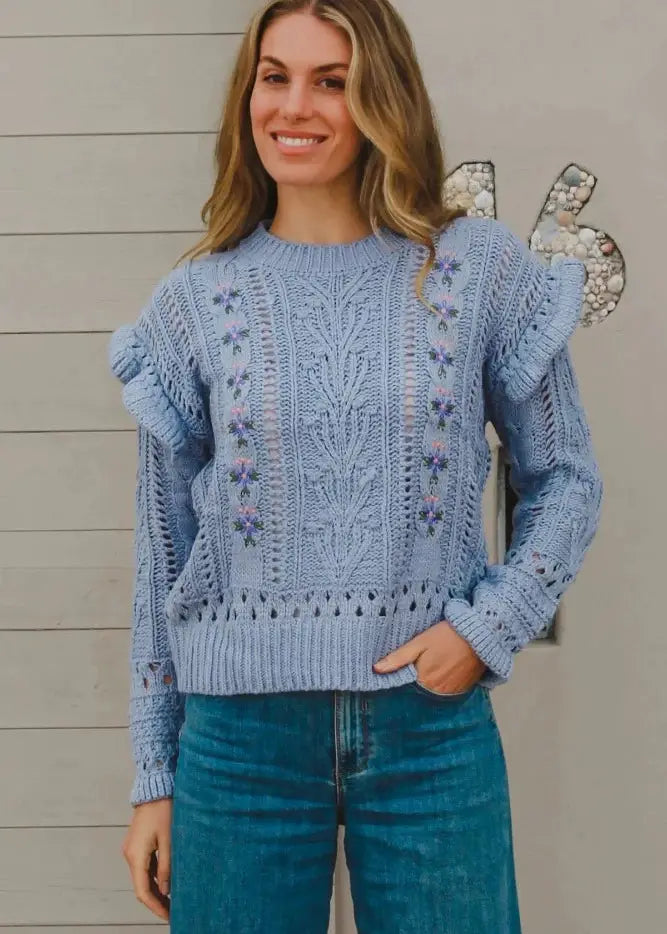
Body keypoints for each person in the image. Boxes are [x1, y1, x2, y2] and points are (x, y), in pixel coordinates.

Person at [108, 0, 603, 930]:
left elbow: (565, 479)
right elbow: (161, 554)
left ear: (383, 97)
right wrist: (152, 776)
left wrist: (489, 628)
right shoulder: (192, 303)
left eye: (331, 81)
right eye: (275, 76)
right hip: (237, 742)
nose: (295, 106)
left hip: (428, 732)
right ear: (246, 95)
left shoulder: (475, 271)